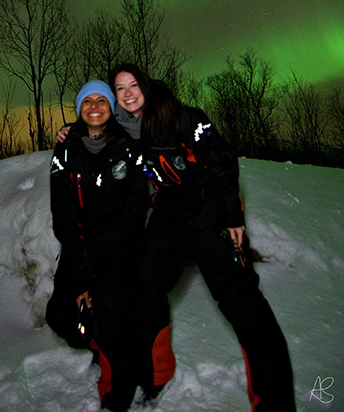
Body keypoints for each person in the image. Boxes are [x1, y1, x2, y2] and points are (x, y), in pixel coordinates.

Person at [110, 63, 296, 411]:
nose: (128, 93)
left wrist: (232, 216)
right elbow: (90, 134)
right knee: (145, 284)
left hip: (208, 212)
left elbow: (221, 160)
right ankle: (156, 375)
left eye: (133, 85)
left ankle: (274, 401)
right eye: (120, 89)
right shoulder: (122, 131)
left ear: (146, 87)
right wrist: (67, 133)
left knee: (243, 303)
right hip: (170, 217)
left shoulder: (181, 117)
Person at [46, 80, 149, 412]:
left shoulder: (127, 148)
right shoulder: (65, 150)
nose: (94, 106)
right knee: (61, 316)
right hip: (79, 246)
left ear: (111, 107)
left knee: (110, 309)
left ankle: (118, 392)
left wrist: (97, 260)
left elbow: (135, 210)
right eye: (86, 101)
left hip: (119, 247)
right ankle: (97, 340)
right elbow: (61, 212)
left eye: (101, 100)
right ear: (79, 109)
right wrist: (81, 266)